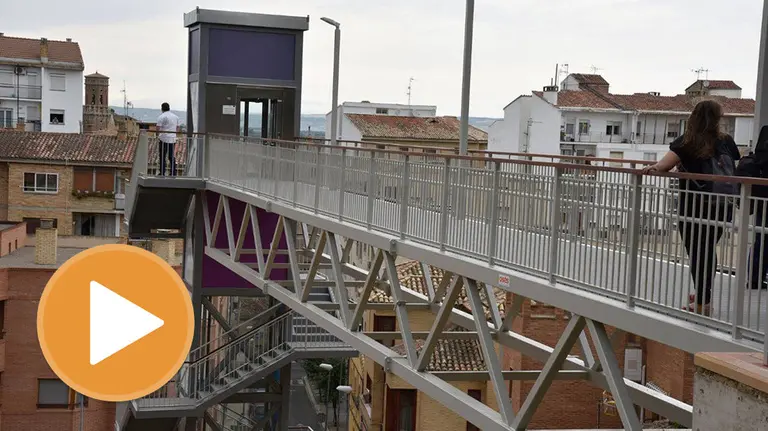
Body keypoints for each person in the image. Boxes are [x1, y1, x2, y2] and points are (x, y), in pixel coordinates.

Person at [643, 100, 740, 316]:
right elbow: (734, 166)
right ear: (717, 119)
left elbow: (663, 166)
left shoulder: (687, 141)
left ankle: (703, 303)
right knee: (708, 250)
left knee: (697, 252)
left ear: (693, 117)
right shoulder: (726, 141)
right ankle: (703, 295)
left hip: (694, 206)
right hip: (722, 204)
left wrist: (654, 167)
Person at [156, 102, 180, 176]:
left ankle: (162, 172)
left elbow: (158, 128)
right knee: (171, 156)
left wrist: (157, 135)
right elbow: (178, 128)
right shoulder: (175, 117)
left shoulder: (162, 117)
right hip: (172, 139)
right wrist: (174, 134)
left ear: (162, 108)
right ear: (169, 108)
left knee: (162, 156)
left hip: (164, 139)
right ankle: (173, 172)